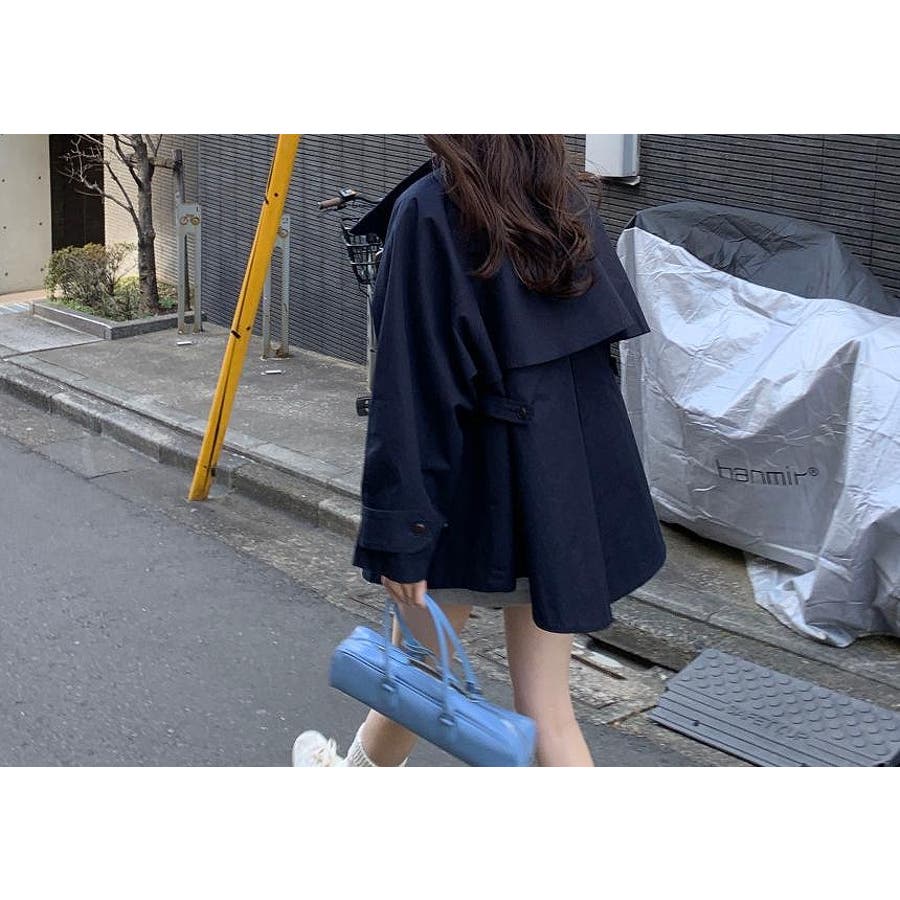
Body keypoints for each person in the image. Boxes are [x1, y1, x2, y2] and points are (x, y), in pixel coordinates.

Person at [293, 135, 666, 767]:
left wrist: (401, 534)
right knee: (547, 710)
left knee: (417, 680)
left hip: (466, 494)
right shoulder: (560, 195)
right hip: (558, 494)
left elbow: (412, 394)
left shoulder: (431, 207)